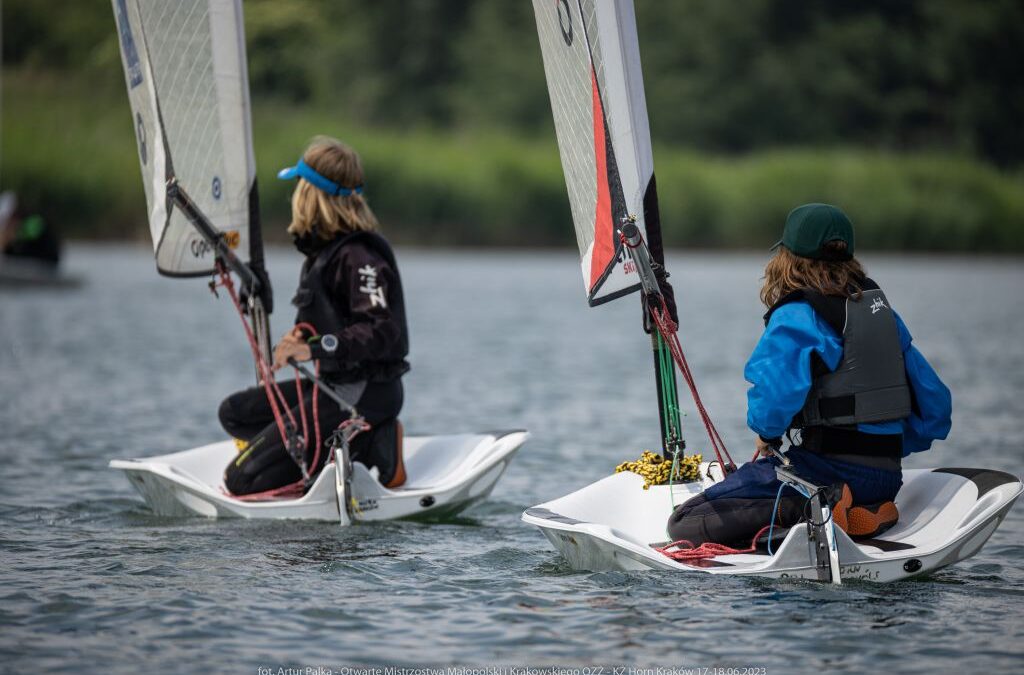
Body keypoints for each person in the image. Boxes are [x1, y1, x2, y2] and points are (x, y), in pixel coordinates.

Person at [666, 203, 952, 546]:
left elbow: (773, 399)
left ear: (787, 258)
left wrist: (766, 434)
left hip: (825, 474)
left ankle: (820, 506)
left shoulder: (798, 314)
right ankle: (862, 510)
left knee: (684, 523)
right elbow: (936, 409)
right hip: (886, 478)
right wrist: (884, 446)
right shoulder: (884, 315)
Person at [219, 137, 410, 496]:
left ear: (311, 194)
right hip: (332, 385)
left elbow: (385, 332)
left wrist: (314, 347)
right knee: (234, 413)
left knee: (240, 482)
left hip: (365, 393)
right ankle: (326, 448)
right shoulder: (324, 255)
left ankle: (373, 444)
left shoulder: (361, 257)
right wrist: (296, 342)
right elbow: (326, 322)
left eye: (298, 186)